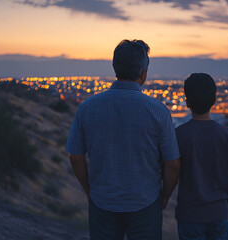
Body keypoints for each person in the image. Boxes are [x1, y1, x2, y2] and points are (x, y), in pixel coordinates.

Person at [65, 39, 181, 240]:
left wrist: (89, 191)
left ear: (115, 67)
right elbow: (172, 165)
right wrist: (164, 197)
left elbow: (75, 157)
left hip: (102, 201)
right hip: (145, 202)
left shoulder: (88, 107)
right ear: (143, 73)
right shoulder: (158, 111)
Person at [175, 73, 228, 240]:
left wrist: (164, 197)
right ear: (214, 101)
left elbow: (173, 169)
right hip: (219, 214)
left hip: (189, 215)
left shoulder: (179, 135)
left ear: (187, 102)